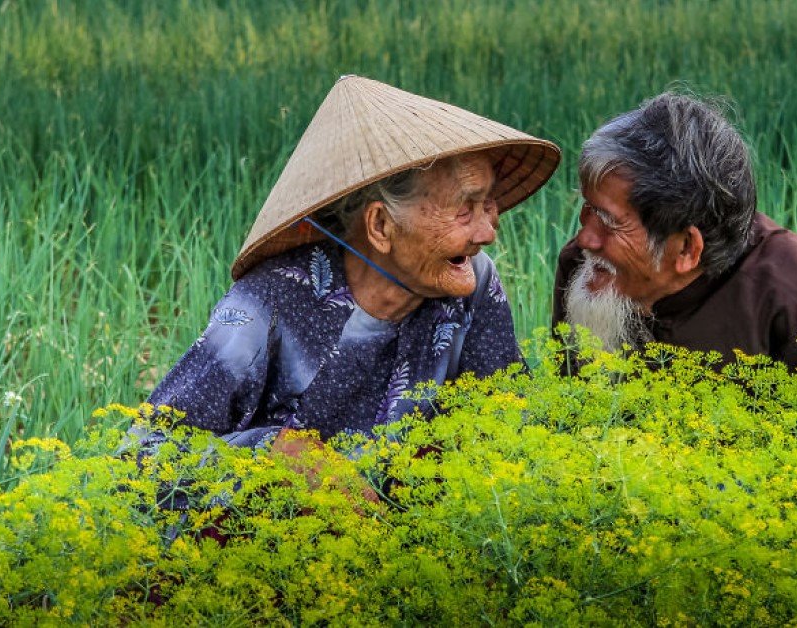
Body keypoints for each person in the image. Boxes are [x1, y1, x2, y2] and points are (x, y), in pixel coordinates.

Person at [143, 75, 560, 448]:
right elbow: (148, 454)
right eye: (464, 208)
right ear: (380, 225)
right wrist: (276, 453)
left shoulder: (473, 281)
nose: (487, 233)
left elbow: (513, 430)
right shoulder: (270, 301)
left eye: (489, 204)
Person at [552, 92, 797, 370]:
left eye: (610, 222)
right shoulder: (584, 271)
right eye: (589, 209)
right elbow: (568, 415)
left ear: (687, 249)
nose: (586, 239)